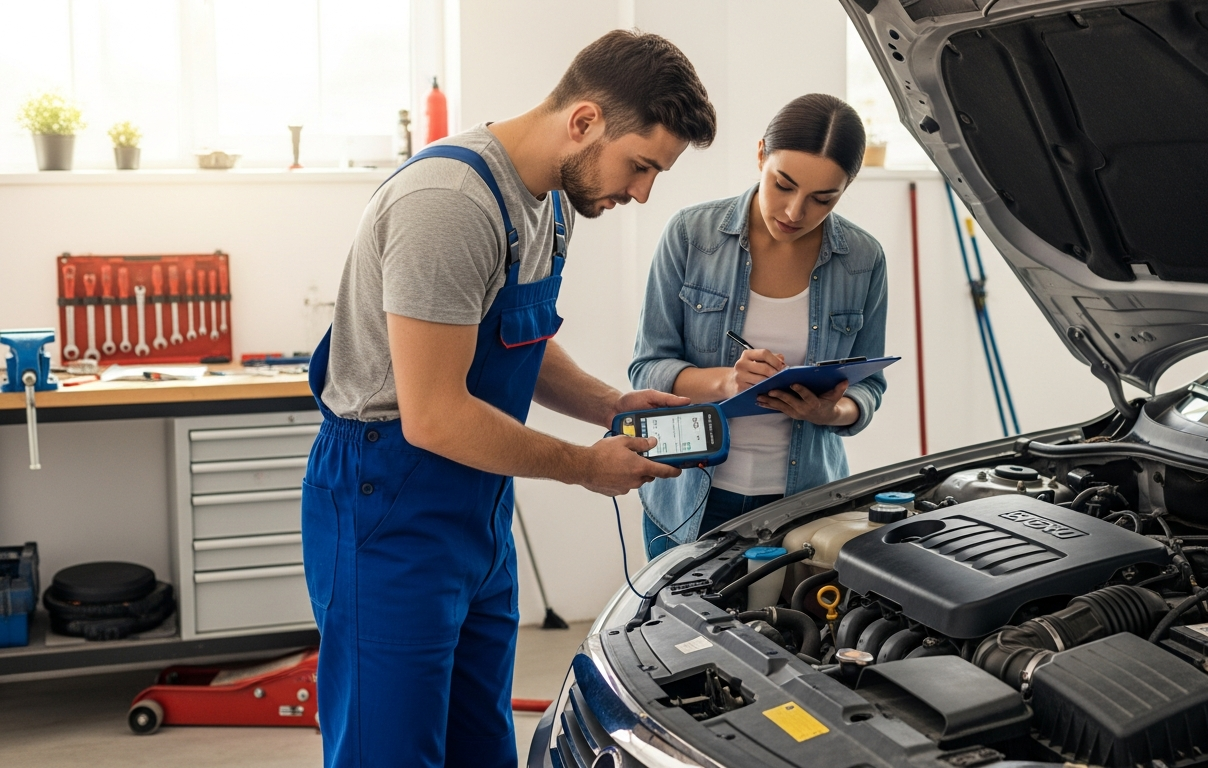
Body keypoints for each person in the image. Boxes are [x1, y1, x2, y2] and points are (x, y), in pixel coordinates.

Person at [301, 30, 715, 768]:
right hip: (387, 503)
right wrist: (586, 467)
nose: (643, 192)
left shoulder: (553, 202)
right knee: (388, 752)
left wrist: (612, 403)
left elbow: (514, 341)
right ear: (584, 121)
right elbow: (435, 415)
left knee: (480, 747)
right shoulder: (450, 205)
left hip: (477, 510)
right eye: (642, 165)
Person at [630, 93, 888, 558]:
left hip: (806, 505)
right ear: (760, 155)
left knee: (798, 631)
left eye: (821, 199)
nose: (794, 213)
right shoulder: (691, 235)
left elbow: (870, 389)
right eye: (783, 185)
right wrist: (726, 380)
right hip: (689, 498)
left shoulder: (863, 260)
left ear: (845, 190)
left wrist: (832, 413)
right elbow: (646, 369)